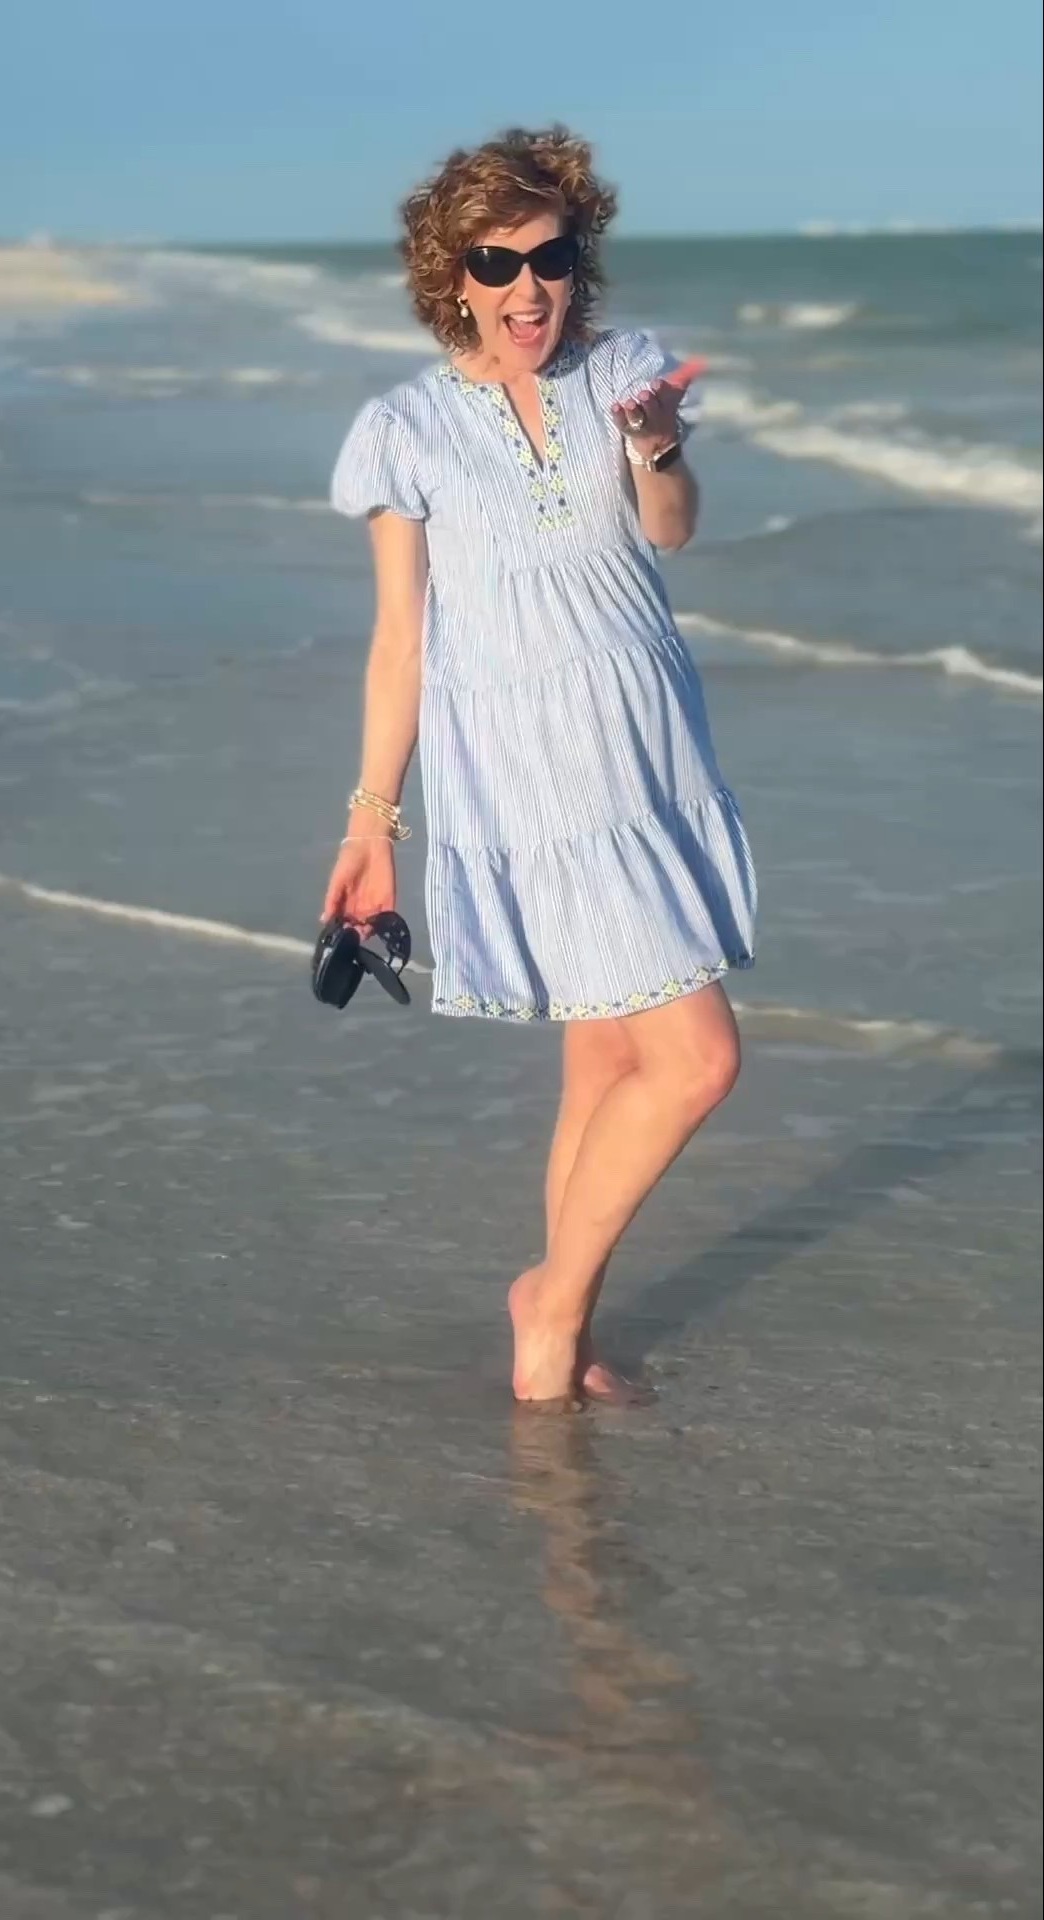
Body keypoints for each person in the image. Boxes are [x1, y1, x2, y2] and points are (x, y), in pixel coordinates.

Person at [326, 127, 757, 1407]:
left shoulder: (620, 370)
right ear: (448, 274)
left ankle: (557, 1334)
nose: (528, 289)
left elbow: (669, 534)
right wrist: (371, 820)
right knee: (696, 1062)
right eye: (496, 262)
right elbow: (400, 640)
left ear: (581, 261)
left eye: (552, 258)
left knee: (607, 1063)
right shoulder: (403, 428)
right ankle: (550, 1302)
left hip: (644, 744)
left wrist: (659, 446)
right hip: (525, 769)